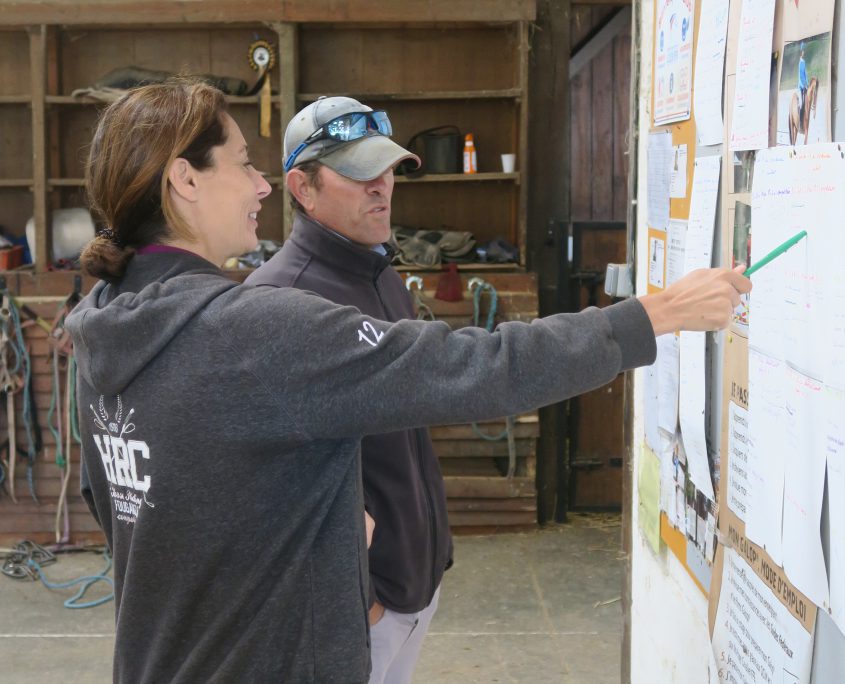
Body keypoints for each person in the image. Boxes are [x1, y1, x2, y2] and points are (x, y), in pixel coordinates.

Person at [67, 79, 750, 684]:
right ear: (185, 180)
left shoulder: (99, 325)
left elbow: (122, 510)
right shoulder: (258, 330)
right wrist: (649, 317)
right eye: (244, 164)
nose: (260, 185)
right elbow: (478, 367)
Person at [245, 96, 446, 684]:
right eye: (360, 174)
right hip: (357, 612)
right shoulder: (281, 301)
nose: (382, 187)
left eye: (386, 171)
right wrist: (365, 601)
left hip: (411, 583)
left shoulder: (379, 275)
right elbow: (267, 480)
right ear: (302, 188)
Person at [798, 42, 808, 124]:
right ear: (801, 53)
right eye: (803, 51)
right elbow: (801, 75)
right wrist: (804, 85)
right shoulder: (801, 62)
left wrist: (807, 83)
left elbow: (805, 74)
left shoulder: (803, 61)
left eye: (804, 51)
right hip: (801, 85)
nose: (804, 52)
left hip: (805, 84)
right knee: (802, 102)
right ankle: (800, 120)